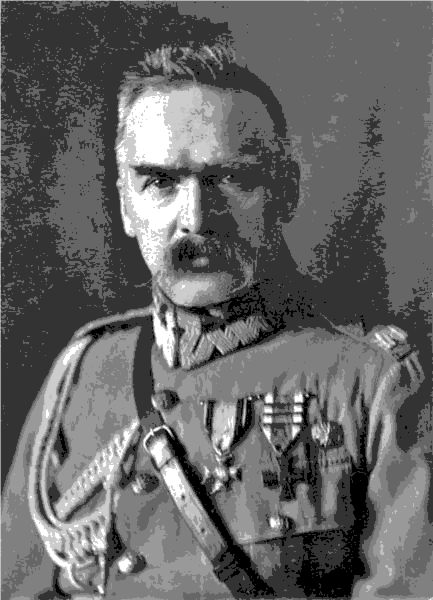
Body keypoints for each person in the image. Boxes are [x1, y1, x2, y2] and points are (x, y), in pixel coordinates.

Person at [1, 37, 431, 600]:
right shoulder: (82, 373)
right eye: (160, 182)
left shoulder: (371, 380)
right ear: (126, 205)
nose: (197, 218)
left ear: (285, 192)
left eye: (230, 179)